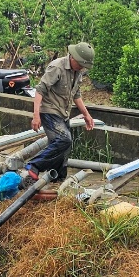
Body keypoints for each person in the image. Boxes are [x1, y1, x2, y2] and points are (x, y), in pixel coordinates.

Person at [25, 42, 95, 184]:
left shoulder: (78, 72)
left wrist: (87, 115)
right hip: (49, 111)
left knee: (64, 148)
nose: (82, 68)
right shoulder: (57, 67)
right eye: (81, 64)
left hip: (63, 113)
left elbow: (76, 95)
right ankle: (33, 166)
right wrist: (36, 115)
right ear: (73, 58)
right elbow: (40, 90)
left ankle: (57, 178)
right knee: (64, 139)